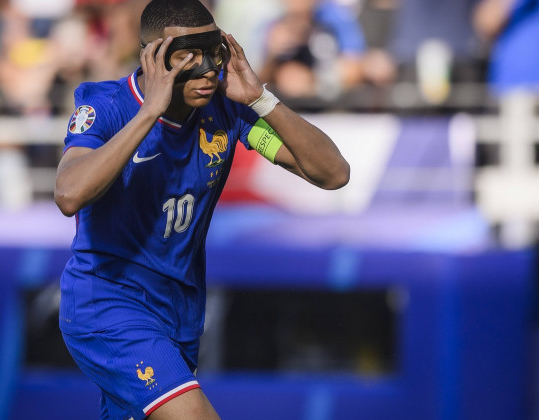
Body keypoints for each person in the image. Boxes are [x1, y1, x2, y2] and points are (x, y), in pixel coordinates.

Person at [53, 0, 350, 419]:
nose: (209, 68)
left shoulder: (228, 110)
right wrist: (149, 112)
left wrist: (262, 100)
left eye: (215, 52)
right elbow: (68, 194)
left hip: (179, 313)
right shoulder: (105, 106)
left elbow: (332, 173)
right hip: (109, 303)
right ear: (153, 58)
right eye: (189, 57)